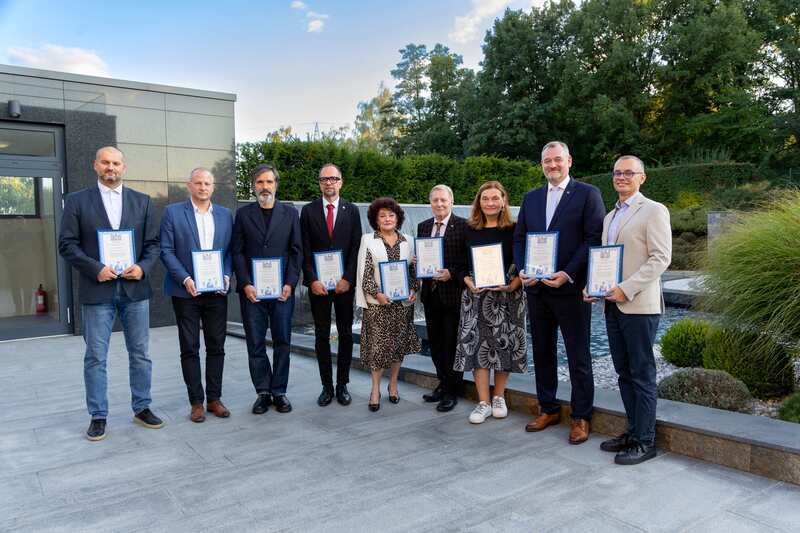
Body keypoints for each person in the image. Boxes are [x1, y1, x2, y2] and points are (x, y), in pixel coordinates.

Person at [58, 146, 163, 441]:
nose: (111, 167)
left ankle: (142, 407)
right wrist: (95, 268)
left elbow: (153, 244)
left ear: (124, 167)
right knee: (95, 356)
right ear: (95, 166)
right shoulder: (76, 202)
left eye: (116, 163)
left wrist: (143, 267)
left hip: (135, 289)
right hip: (97, 289)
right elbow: (67, 244)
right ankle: (98, 415)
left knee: (140, 354)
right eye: (105, 162)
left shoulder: (142, 202)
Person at [513, 141, 605, 444]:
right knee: (542, 352)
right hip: (537, 291)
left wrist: (568, 273)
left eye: (557, 160)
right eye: (546, 161)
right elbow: (520, 238)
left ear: (569, 161)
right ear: (541, 164)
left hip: (570, 289)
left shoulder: (587, 194)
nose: (552, 166)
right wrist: (522, 268)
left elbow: (593, 238)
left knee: (578, 355)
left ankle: (581, 416)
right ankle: (548, 408)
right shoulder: (531, 198)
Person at [585, 155, 671, 465]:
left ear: (642, 178)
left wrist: (626, 288)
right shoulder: (610, 217)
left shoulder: (653, 211)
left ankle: (646, 441)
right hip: (612, 305)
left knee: (641, 373)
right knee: (623, 373)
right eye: (617, 173)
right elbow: (606, 260)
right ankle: (633, 431)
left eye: (629, 173)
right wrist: (593, 286)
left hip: (639, 305)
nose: (622, 177)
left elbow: (660, 259)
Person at [160, 167, 234, 423]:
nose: (203, 187)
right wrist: (185, 278)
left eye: (207, 183)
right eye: (198, 183)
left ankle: (214, 398)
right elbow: (166, 250)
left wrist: (226, 274)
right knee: (189, 347)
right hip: (185, 291)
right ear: (189, 185)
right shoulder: (172, 213)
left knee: (216, 346)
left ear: (213, 187)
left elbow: (230, 252)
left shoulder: (225, 215)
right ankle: (196, 402)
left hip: (216, 291)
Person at [232, 164, 302, 415]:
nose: (264, 187)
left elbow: (296, 251)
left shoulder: (290, 213)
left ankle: (279, 391)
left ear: (276, 185)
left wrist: (290, 284)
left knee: (283, 340)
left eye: (269, 182)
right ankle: (263, 391)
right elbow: (237, 251)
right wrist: (245, 283)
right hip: (252, 293)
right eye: (260, 182)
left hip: (282, 291)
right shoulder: (242, 214)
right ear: (254, 186)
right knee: (255, 342)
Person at [455, 181, 527, 424]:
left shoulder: (515, 229)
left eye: (495, 198)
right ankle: (483, 402)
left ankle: (499, 397)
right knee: (479, 348)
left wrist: (514, 284)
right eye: (485, 198)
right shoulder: (468, 229)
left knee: (504, 346)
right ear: (479, 202)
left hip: (507, 296)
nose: (490, 203)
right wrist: (467, 280)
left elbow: (524, 262)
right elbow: (459, 264)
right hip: (476, 296)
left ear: (503, 201)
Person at [300, 163, 362, 407]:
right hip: (319, 286)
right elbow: (304, 248)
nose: (329, 183)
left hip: (344, 285)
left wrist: (348, 278)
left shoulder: (352, 210)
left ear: (341, 182)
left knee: (346, 334)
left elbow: (356, 247)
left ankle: (342, 384)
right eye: (324, 179)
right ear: (319, 183)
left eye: (333, 178)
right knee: (321, 335)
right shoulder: (308, 211)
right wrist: (312, 279)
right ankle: (326, 386)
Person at [355, 197, 421, 411]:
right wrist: (378, 293)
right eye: (382, 216)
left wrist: (414, 289)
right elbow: (364, 275)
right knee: (378, 350)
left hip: (402, 306)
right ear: (375, 219)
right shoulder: (368, 240)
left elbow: (414, 272)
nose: (387, 219)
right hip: (378, 306)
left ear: (398, 218)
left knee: (397, 348)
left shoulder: (409, 241)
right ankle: (375, 389)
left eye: (391, 215)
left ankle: (393, 385)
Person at [417, 184, 468, 412]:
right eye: (435, 200)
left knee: (451, 344)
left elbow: (468, 262)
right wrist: (419, 263)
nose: (439, 204)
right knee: (436, 344)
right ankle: (442, 382)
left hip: (453, 295)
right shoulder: (424, 226)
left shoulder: (464, 226)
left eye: (443, 200)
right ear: (430, 203)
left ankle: (452, 390)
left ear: (451, 202)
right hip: (431, 294)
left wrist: (452, 273)